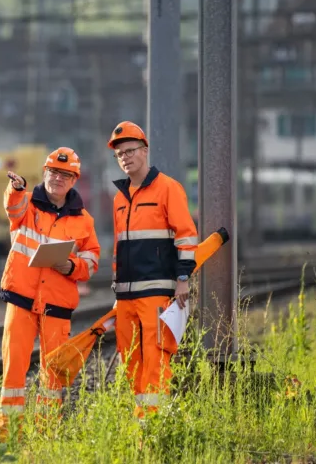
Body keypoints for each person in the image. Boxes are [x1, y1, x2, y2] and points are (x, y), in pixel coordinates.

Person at [0, 147, 101, 440]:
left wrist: (71, 266)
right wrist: (16, 188)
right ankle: (8, 437)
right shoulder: (27, 204)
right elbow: (12, 209)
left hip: (57, 303)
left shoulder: (85, 221)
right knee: (13, 374)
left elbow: (92, 261)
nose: (58, 178)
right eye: (54, 172)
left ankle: (46, 434)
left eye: (66, 174)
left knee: (53, 376)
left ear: (74, 180)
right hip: (21, 298)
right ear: (45, 173)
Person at [107, 121, 199, 417]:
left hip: (157, 292)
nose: (125, 157)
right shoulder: (120, 198)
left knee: (157, 358)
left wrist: (183, 278)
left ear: (145, 152)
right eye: (120, 154)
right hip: (126, 296)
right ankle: (141, 422)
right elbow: (119, 247)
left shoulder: (168, 188)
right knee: (130, 358)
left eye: (130, 151)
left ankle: (154, 424)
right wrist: (116, 287)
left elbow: (186, 234)